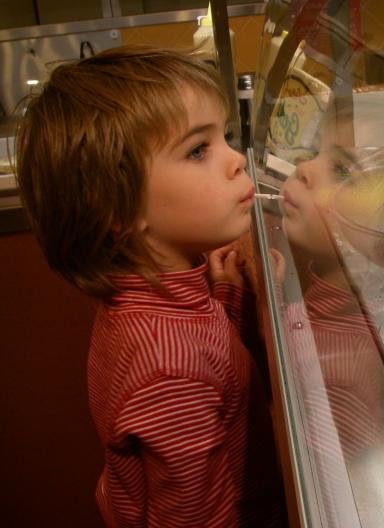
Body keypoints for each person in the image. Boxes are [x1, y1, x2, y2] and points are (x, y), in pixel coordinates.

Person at [15, 45, 286, 527]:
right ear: (116, 207)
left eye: (224, 137)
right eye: (198, 150)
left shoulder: (152, 297)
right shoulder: (169, 369)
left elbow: (212, 371)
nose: (236, 160)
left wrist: (227, 296)